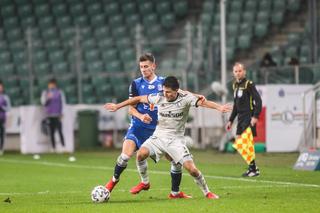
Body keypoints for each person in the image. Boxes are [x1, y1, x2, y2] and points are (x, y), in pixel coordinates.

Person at [104, 76, 232, 199]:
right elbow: (137, 99)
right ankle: (145, 183)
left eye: (169, 92)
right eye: (164, 91)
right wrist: (117, 106)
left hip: (176, 140)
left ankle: (207, 192)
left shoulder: (186, 98)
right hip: (158, 137)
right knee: (140, 154)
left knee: (192, 170)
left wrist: (219, 107)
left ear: (177, 90)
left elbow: (204, 103)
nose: (166, 94)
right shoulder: (159, 96)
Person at [105, 53, 192, 199]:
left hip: (159, 130)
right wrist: (140, 116)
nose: (143, 70)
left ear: (153, 66)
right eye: (141, 67)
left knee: (174, 159)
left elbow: (182, 95)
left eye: (146, 66)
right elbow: (131, 108)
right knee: (125, 156)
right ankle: (113, 182)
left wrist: (199, 98)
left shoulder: (164, 83)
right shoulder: (136, 84)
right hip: (138, 127)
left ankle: (175, 192)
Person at [226, 63, 262, 177]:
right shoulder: (235, 85)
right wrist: (231, 120)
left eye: (240, 71)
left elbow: (259, 101)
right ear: (233, 73)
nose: (238, 73)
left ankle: (253, 169)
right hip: (240, 118)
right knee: (239, 142)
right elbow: (236, 105)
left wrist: (255, 116)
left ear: (244, 72)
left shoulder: (249, 84)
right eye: (236, 71)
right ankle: (253, 167)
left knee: (247, 143)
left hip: (248, 117)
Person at [40, 78, 66, 150]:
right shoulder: (45, 93)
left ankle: (63, 146)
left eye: (53, 84)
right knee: (51, 132)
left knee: (60, 130)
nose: (52, 86)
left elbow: (63, 103)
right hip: (49, 115)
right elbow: (43, 103)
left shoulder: (60, 92)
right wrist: (48, 98)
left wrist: (62, 112)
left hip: (57, 114)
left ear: (55, 85)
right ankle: (53, 147)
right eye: (50, 84)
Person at [0, 81, 11, 155]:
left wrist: (2, 107)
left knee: (2, 134)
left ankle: (1, 149)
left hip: (2, 118)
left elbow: (9, 108)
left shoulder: (5, 97)